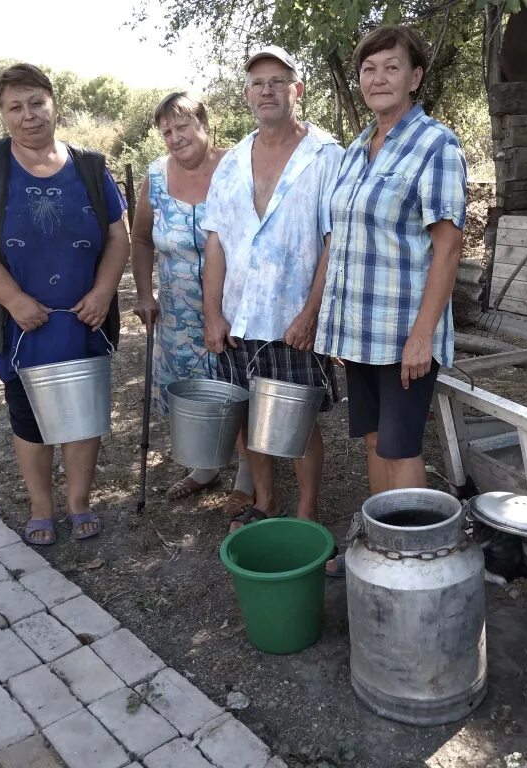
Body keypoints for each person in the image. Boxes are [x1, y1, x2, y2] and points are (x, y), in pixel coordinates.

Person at [0, 64, 129, 545]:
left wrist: (102, 293)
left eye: (36, 102)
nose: (28, 115)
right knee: (27, 415)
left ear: (53, 103)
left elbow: (118, 236)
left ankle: (78, 502)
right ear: (3, 113)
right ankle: (40, 506)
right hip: (20, 325)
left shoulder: (90, 166)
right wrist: (13, 300)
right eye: (15, 107)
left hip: (83, 318)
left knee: (83, 414)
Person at [315, 25, 466, 505]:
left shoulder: (436, 145)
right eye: (369, 68)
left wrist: (423, 335)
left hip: (405, 335)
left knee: (401, 448)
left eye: (392, 67)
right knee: (374, 442)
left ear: (415, 77)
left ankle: (412, 563)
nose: (378, 78)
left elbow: (449, 248)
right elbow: (344, 238)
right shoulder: (358, 147)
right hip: (362, 332)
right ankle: (381, 544)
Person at [202, 45, 344, 533]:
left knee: (299, 420)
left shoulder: (326, 156)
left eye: (277, 81)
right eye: (257, 83)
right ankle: (264, 500)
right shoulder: (232, 161)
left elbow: (334, 241)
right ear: (247, 95)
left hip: (291, 317)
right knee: (245, 415)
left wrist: (311, 313)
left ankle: (307, 511)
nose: (267, 90)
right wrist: (212, 313)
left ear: (296, 90)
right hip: (237, 312)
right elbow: (216, 240)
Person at [130, 92, 255, 515]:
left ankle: (247, 476)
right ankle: (205, 467)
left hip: (234, 309)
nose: (174, 137)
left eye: (181, 126)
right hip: (178, 313)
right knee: (192, 394)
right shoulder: (155, 177)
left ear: (203, 123)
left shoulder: (237, 167)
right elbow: (142, 238)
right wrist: (145, 294)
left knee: (237, 389)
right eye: (166, 131)